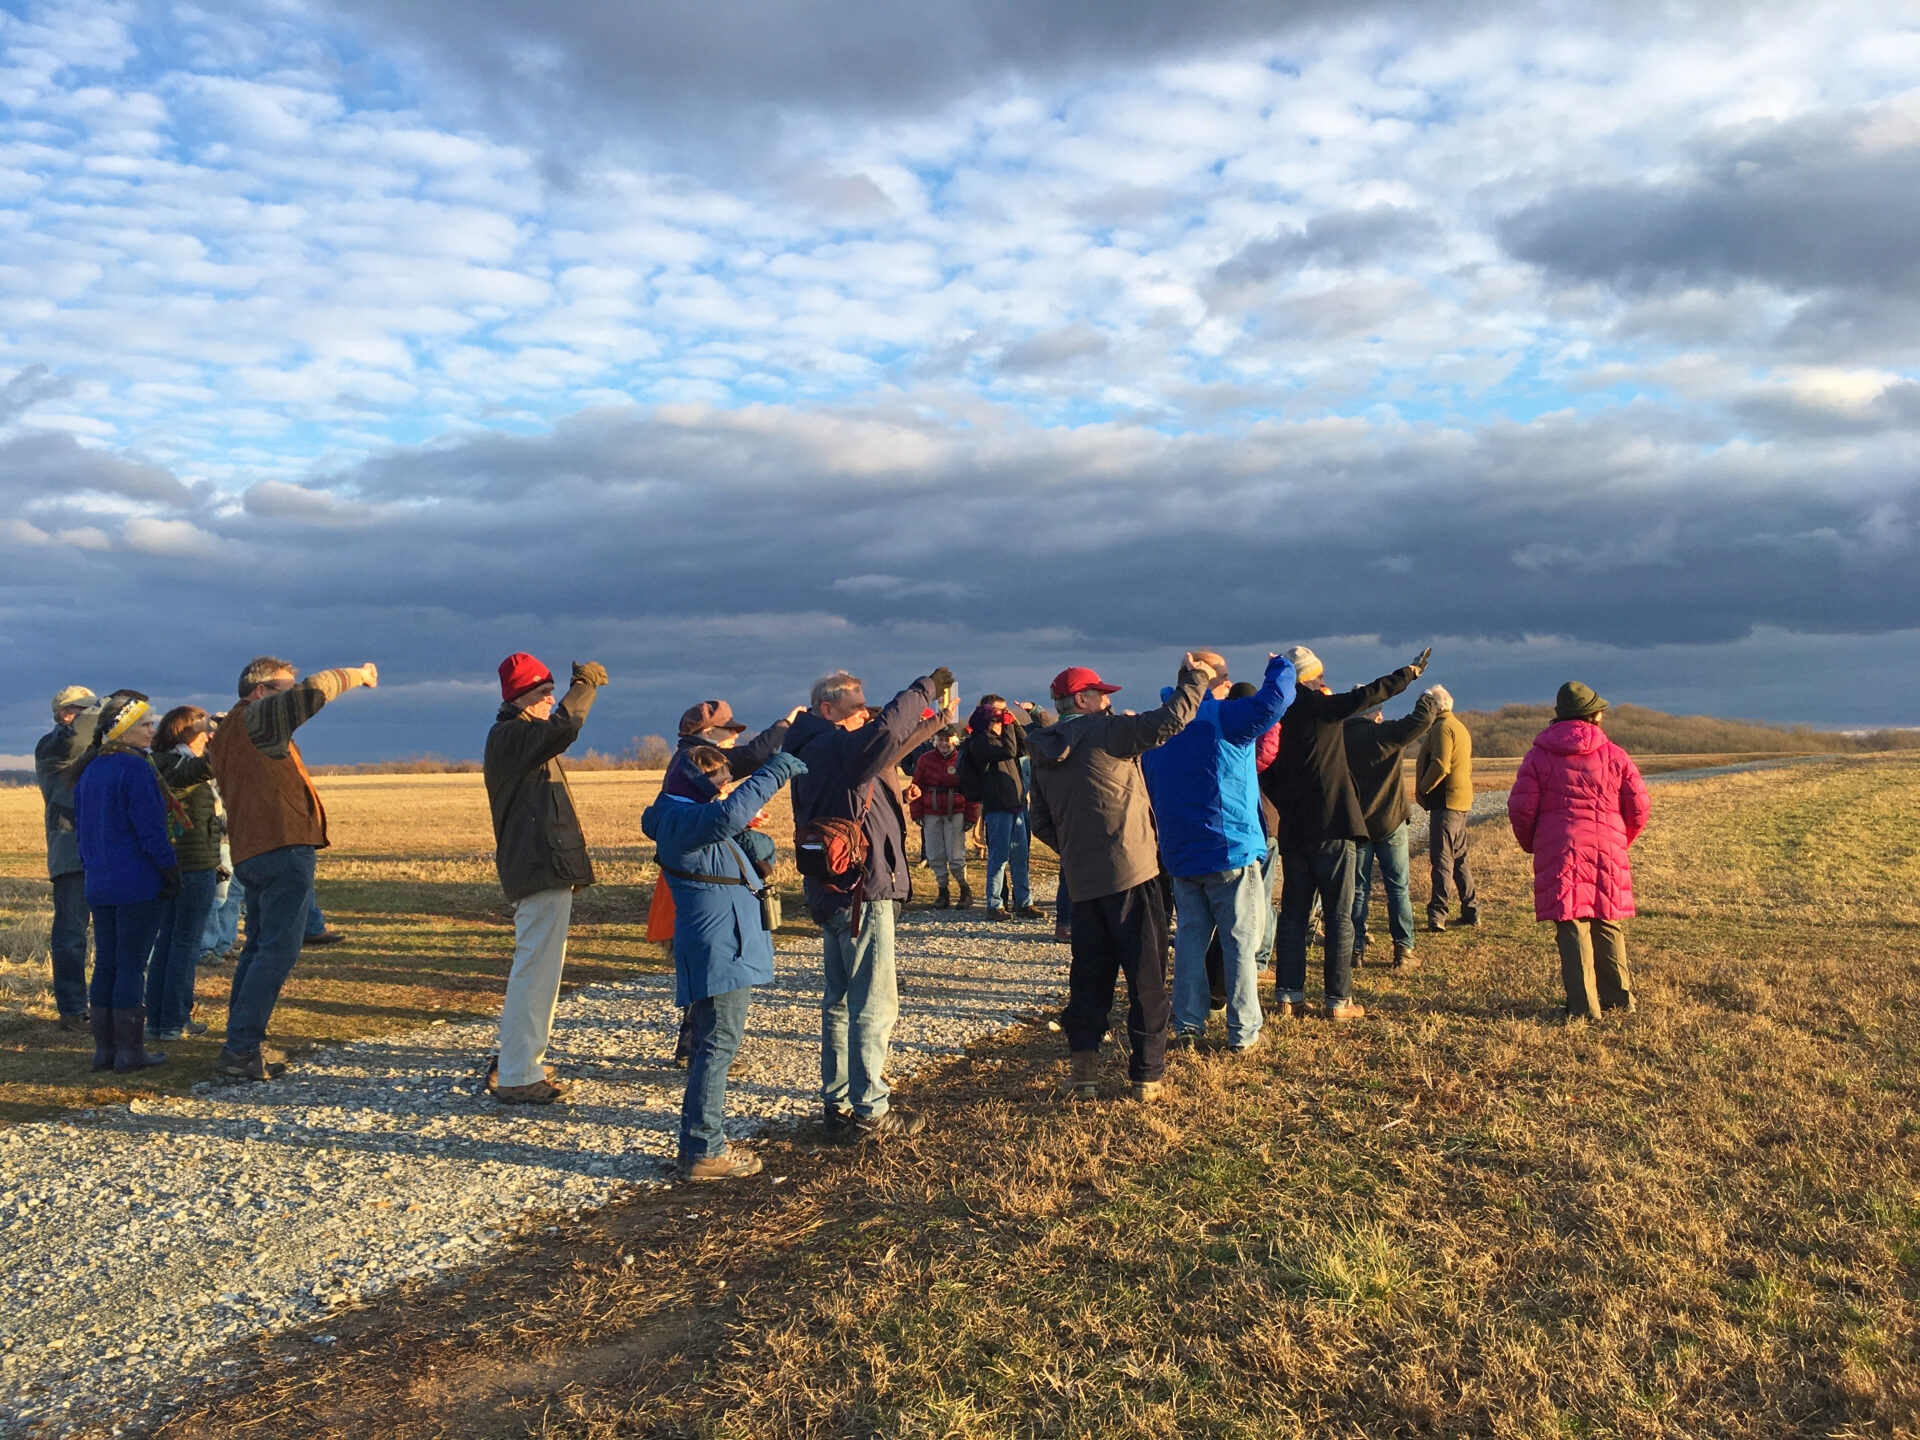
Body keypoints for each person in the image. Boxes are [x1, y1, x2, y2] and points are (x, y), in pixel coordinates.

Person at [1028, 654, 1214, 1103]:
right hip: (1133, 873)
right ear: (1081, 698)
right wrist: (1197, 678)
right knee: (1146, 976)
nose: (1106, 701)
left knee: (1089, 978)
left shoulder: (1042, 747)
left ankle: (1084, 1073)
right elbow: (1171, 720)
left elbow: (1040, 822)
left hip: (1083, 881)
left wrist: (1076, 852)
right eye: (1100, 694)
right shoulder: (1105, 732)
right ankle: (1147, 1076)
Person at [784, 667, 952, 1141]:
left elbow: (888, 748)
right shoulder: (837, 749)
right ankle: (870, 1109)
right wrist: (924, 687)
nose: (864, 709)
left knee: (838, 1002)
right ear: (826, 710)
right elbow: (884, 734)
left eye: (864, 701)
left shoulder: (814, 748)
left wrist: (934, 722)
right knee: (873, 1003)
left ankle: (837, 1103)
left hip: (830, 892)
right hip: (862, 893)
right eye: (854, 702)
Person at [208, 655, 379, 1084]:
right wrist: (359, 676)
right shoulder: (258, 717)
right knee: (277, 951)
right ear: (261, 691)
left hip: (252, 849)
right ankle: (242, 1049)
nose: (292, 695)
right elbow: (315, 688)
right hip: (281, 845)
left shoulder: (228, 729)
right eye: (284, 687)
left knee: (258, 948)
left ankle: (239, 1043)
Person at [643, 743, 807, 1179]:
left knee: (710, 1046)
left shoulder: (681, 814)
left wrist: (756, 843)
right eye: (716, 782)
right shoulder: (684, 820)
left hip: (721, 946)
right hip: (720, 949)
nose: (723, 790)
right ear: (696, 784)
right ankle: (704, 1150)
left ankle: (698, 1145)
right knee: (716, 1049)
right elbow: (726, 817)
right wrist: (777, 770)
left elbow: (731, 830)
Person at [1138, 650, 1295, 1055]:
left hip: (1180, 853)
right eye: (1225, 678)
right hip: (1228, 850)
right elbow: (1275, 701)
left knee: (1190, 940)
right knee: (1241, 943)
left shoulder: (1159, 726)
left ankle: (1189, 1022)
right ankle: (1243, 1031)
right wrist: (1283, 665)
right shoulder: (1220, 718)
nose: (1229, 684)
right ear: (1213, 681)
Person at [1263, 645, 1431, 1021]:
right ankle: (1339, 1001)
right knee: (1339, 916)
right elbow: (1367, 695)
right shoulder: (1319, 707)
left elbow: (1267, 773)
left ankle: (1287, 997)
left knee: (1292, 914)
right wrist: (1408, 674)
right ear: (1306, 679)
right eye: (1318, 676)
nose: (1325, 681)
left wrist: (1289, 805)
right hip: (1333, 828)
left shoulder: (1275, 716)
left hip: (1294, 831)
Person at [483, 653, 607, 1104]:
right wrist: (585, 687)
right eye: (542, 693)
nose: (551, 699)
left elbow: (554, 730)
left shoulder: (518, 736)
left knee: (536, 970)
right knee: (536, 972)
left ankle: (520, 1061)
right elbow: (563, 728)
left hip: (541, 867)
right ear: (519, 698)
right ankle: (517, 1072)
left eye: (553, 690)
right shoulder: (513, 735)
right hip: (538, 867)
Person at [1508, 683, 1650, 1021]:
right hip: (1607, 847)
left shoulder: (1538, 756)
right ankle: (1619, 998)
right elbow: (1640, 808)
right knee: (1607, 920)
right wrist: (1619, 839)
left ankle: (1584, 1008)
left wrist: (1534, 843)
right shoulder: (1616, 754)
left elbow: (1521, 808)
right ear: (1594, 715)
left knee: (1571, 925)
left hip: (1561, 849)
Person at [70, 691, 178, 1074]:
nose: (152, 731)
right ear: (126, 730)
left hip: (99, 883)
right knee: (131, 966)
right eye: (146, 725)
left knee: (107, 965)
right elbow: (150, 831)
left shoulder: (90, 771)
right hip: (136, 883)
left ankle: (105, 1051)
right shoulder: (135, 770)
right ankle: (131, 1053)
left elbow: (81, 831)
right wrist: (169, 869)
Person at [1344, 689, 1445, 971]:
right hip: (1391, 821)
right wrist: (1427, 697)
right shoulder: (1385, 734)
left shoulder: (1339, 739)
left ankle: (1355, 951)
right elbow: (1422, 720)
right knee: (1397, 889)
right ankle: (1403, 950)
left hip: (1357, 825)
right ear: (1376, 714)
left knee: (1358, 890)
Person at [147, 707, 221, 1041]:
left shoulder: (163, 762)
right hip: (192, 866)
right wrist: (225, 738)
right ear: (184, 733)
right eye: (203, 729)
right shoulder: (176, 765)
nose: (207, 734)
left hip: (179, 865)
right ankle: (174, 1020)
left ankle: (158, 1020)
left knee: (168, 943)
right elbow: (205, 767)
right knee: (184, 945)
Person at [34, 685, 98, 1031]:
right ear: (65, 714)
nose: (94, 716)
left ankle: (109, 1006)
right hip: (70, 853)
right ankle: (73, 1009)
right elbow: (76, 739)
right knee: (72, 935)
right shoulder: (52, 746)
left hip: (103, 852)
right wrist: (108, 711)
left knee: (110, 934)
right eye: (85, 710)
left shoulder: (94, 749)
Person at [959, 696, 1042, 920]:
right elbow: (1009, 750)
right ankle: (994, 904)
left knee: (1020, 857)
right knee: (999, 857)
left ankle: (1024, 903)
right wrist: (1007, 727)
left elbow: (1024, 745)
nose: (998, 722)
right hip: (997, 807)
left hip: (1016, 804)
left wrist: (1013, 723)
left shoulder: (1001, 738)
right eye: (995, 719)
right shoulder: (979, 743)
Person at [1417, 688, 1479, 931]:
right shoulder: (1459, 727)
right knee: (1459, 858)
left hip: (1446, 802)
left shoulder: (1442, 728)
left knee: (1442, 859)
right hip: (1460, 801)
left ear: (1435, 706)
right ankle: (1471, 909)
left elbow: (1440, 764)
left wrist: (1423, 788)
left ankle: (1438, 913)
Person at [910, 727, 977, 908]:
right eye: (940, 739)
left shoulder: (962, 759)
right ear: (935, 741)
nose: (944, 743)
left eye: (947, 739)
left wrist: (971, 815)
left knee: (955, 855)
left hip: (955, 811)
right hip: (930, 811)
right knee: (935, 854)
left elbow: (971, 789)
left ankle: (964, 889)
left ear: (955, 740)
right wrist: (916, 813)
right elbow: (916, 787)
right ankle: (942, 891)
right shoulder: (925, 760)